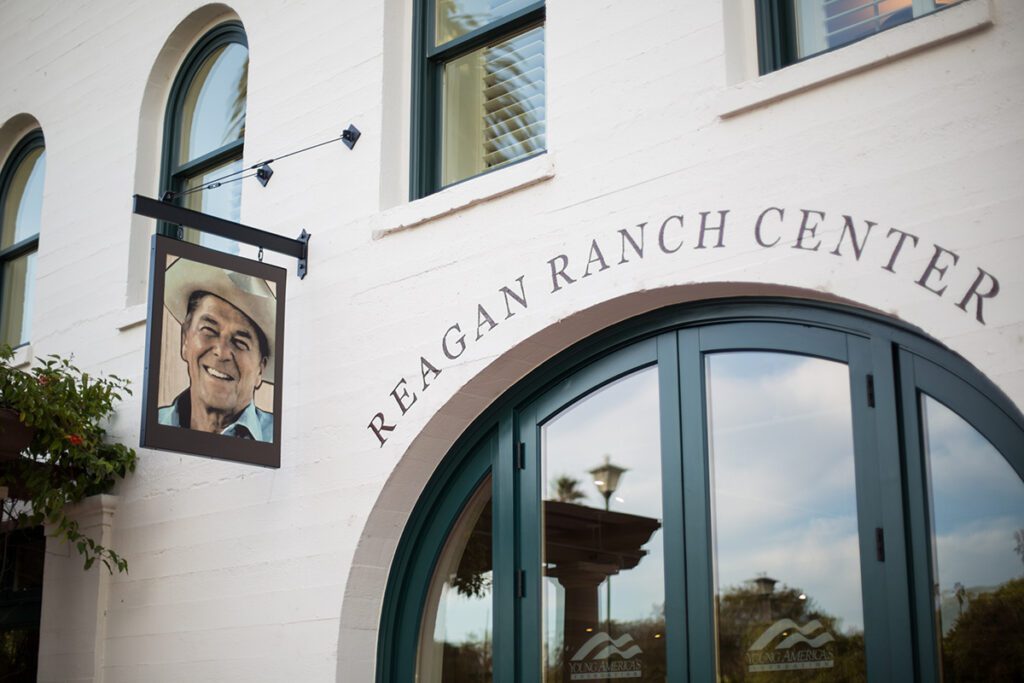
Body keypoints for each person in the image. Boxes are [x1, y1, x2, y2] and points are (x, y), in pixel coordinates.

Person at [158, 257, 276, 442]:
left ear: (260, 369)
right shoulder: (158, 425)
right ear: (185, 341)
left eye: (240, 342)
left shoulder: (280, 439)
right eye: (209, 330)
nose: (221, 352)